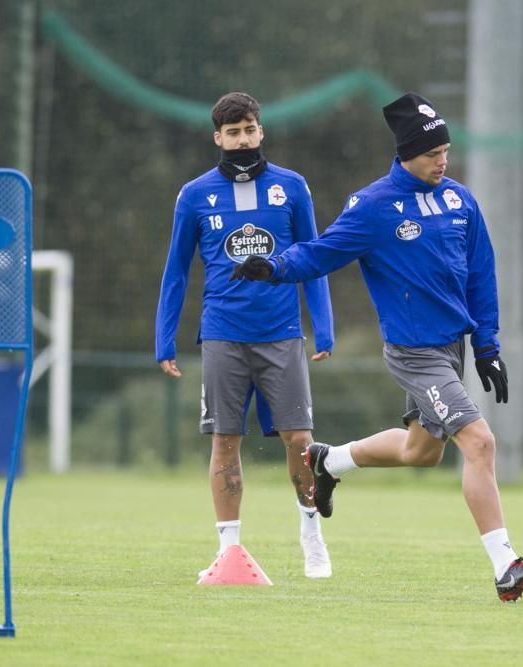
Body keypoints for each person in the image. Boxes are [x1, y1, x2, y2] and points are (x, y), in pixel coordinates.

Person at [230, 92, 523, 601]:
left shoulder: (459, 200)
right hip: (414, 353)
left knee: (421, 451)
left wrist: (486, 346)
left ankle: (328, 461)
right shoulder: (374, 206)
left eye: (446, 150)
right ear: (405, 155)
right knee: (480, 443)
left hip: (451, 349)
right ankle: (505, 567)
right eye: (432, 154)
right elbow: (321, 252)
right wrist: (275, 267)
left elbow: (482, 275)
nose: (442, 161)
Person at [156, 92, 335, 579]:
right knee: (225, 442)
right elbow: (176, 271)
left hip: (281, 334)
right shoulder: (194, 195)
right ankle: (229, 549)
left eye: (249, 129)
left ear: (261, 132)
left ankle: (311, 533)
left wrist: (324, 325)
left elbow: (314, 260)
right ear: (218, 137)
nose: (242, 139)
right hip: (222, 335)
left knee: (299, 439)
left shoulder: (291, 188)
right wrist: (164, 338)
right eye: (232, 132)